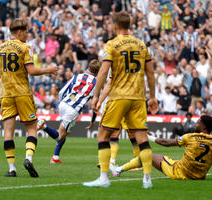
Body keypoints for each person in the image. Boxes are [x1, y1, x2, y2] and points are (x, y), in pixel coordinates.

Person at [82, 11, 158, 189]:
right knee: (141, 137)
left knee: (103, 134)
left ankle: (103, 178)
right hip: (138, 97)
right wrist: (152, 96)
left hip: (118, 96)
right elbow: (151, 73)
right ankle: (147, 179)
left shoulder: (112, 44)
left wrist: (95, 96)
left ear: (114, 26)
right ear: (129, 25)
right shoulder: (141, 44)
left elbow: (103, 72)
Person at [0, 18, 58, 177]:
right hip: (22, 93)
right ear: (19, 32)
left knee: (8, 132)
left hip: (6, 94)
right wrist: (48, 70)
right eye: (27, 32)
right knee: (31, 128)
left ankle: (12, 169)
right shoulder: (25, 47)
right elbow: (32, 71)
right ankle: (28, 158)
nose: (28, 35)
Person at [112, 115, 212, 181]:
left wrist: (146, 135)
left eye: (198, 122)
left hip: (179, 172)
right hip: (199, 177)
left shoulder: (191, 137)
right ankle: (119, 169)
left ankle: (118, 170)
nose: (195, 123)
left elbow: (165, 142)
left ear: (203, 126)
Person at [36, 59, 101, 163]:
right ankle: (43, 126)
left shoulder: (77, 76)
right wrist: (92, 121)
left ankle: (55, 157)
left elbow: (62, 91)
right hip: (73, 109)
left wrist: (60, 104)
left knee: (66, 132)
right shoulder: (97, 84)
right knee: (60, 136)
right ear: (98, 72)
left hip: (64, 103)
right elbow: (95, 105)